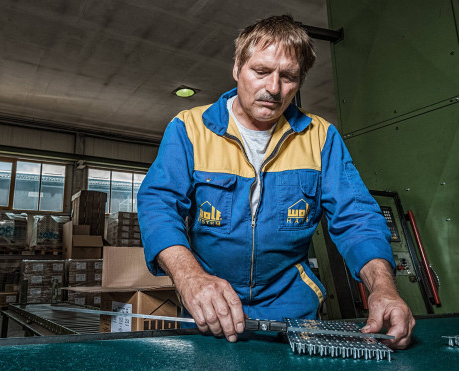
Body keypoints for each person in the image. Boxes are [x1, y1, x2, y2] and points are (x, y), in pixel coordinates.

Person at [136, 15, 414, 349]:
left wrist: (383, 289)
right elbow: (158, 205)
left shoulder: (320, 137)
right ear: (237, 67)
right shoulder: (189, 129)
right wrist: (189, 277)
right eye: (261, 71)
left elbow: (357, 218)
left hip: (293, 311)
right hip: (211, 307)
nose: (273, 88)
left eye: (288, 77)